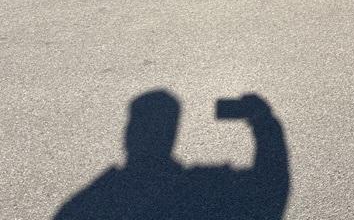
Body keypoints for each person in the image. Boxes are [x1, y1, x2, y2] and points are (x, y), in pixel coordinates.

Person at [54, 90, 289, 220]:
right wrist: (264, 122)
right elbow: (270, 188)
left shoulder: (96, 200)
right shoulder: (202, 188)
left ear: (128, 135)